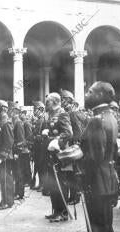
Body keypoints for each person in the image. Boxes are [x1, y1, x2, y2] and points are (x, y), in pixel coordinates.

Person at [80, 81, 118, 232]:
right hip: (107, 179)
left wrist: (77, 158)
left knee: (98, 226)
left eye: (89, 91)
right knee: (106, 224)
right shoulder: (110, 116)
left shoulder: (96, 120)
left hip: (95, 181)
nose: (86, 94)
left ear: (100, 95)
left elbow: (95, 157)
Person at [43, 92, 73, 222]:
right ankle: (56, 211)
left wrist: (57, 141)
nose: (46, 104)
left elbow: (68, 133)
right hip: (51, 154)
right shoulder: (51, 114)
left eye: (48, 101)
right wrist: (47, 133)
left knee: (61, 183)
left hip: (59, 154)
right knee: (52, 184)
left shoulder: (62, 113)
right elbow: (54, 130)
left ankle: (63, 212)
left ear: (55, 102)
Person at [0, 99, 15, 210]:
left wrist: (1, 157)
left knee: (6, 179)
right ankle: (4, 199)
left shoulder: (6, 122)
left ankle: (8, 202)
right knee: (1, 179)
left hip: (5, 157)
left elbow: (9, 142)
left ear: (2, 109)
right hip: (0, 156)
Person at [8, 101, 27, 200]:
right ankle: (17, 192)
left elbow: (20, 140)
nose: (9, 112)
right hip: (14, 151)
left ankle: (20, 193)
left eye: (10, 110)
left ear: (15, 111)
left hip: (17, 152)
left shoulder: (18, 122)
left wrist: (17, 152)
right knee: (15, 173)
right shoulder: (13, 121)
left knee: (18, 173)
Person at [31, 101, 47, 192]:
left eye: (35, 109)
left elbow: (44, 135)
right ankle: (40, 184)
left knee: (41, 166)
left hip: (41, 147)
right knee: (38, 165)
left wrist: (36, 136)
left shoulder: (43, 120)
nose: (34, 111)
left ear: (40, 110)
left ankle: (43, 185)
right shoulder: (38, 120)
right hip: (37, 147)